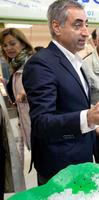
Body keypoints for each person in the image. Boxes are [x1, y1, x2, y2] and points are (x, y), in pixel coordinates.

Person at [22, 0, 99, 185]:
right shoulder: (41, 64)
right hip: (59, 168)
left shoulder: (74, 61)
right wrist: (89, 118)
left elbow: (70, 105)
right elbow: (42, 123)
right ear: (56, 27)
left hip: (81, 158)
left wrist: (95, 125)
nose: (85, 31)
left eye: (86, 24)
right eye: (77, 25)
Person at [0, 28, 34, 164]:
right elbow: (16, 100)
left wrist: (29, 94)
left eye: (12, 43)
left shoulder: (33, 64)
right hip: (27, 126)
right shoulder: (15, 67)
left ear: (23, 43)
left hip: (41, 128)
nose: (8, 48)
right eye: (4, 45)